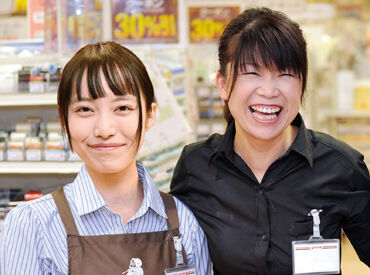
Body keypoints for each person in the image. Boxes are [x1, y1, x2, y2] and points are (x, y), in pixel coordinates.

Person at [170, 7, 370, 274]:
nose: (268, 91)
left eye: (285, 74)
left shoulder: (340, 166)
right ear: (222, 85)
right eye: (252, 73)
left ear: (302, 85)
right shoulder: (195, 167)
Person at [0, 41, 211, 274]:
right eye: (85, 109)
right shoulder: (31, 225)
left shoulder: (183, 221)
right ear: (63, 119)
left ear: (150, 115)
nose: (104, 129)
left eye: (122, 108)